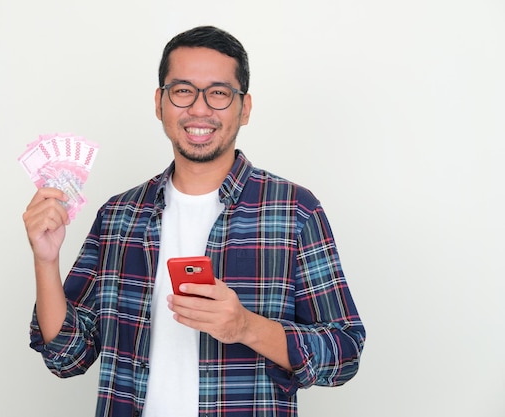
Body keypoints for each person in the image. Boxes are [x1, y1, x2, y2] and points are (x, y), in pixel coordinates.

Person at [23, 25, 366, 417]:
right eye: (183, 90)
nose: (199, 109)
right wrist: (46, 261)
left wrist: (246, 328)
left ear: (245, 107)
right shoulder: (119, 215)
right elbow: (68, 357)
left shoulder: (294, 211)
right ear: (160, 102)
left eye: (218, 93)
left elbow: (345, 353)